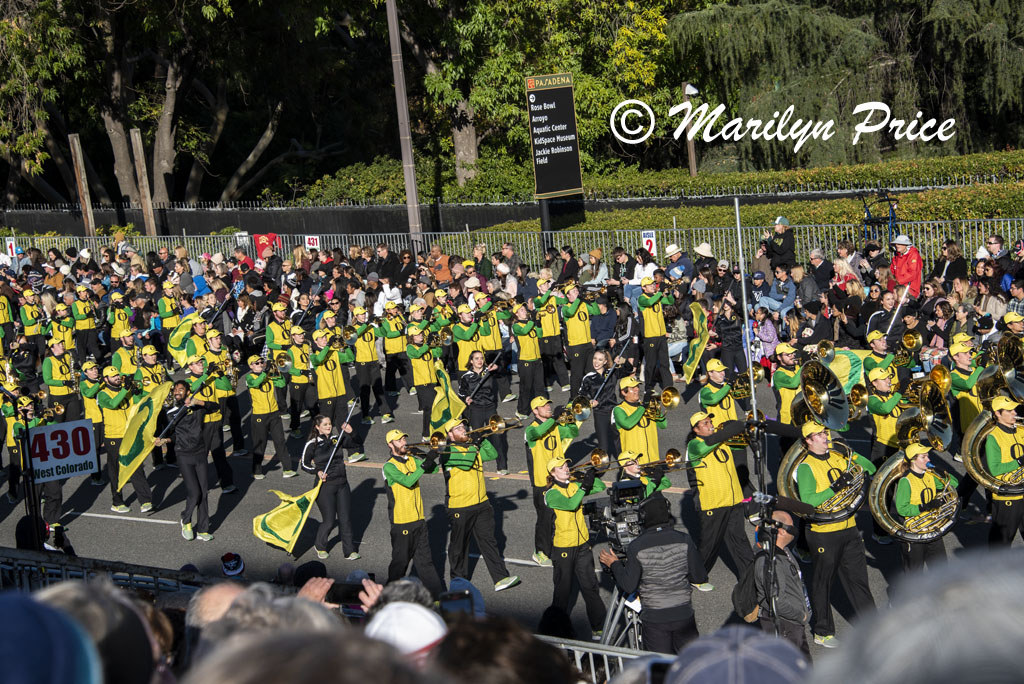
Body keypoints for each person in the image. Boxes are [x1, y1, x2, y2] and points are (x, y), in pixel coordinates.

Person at [795, 421, 876, 648]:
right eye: (819, 434)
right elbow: (808, 501)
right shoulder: (805, 467)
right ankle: (822, 631)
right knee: (823, 583)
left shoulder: (838, 458)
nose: (825, 435)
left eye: (825, 432)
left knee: (859, 581)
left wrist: (853, 455)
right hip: (823, 533)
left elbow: (870, 469)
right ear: (808, 441)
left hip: (848, 527)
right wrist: (836, 487)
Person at [431, 417, 520, 592]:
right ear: (450, 435)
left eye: (463, 426)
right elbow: (466, 464)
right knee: (459, 547)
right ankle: (458, 583)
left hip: (481, 503)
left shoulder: (472, 447)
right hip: (460, 505)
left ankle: (500, 578)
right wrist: (476, 444)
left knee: (489, 542)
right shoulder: (447, 451)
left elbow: (493, 454)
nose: (463, 429)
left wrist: (483, 438)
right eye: (458, 428)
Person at [686, 411, 754, 586]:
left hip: (733, 501)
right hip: (713, 504)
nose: (710, 425)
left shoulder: (722, 442)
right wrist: (730, 431)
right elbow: (705, 447)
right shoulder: (694, 445)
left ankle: (751, 577)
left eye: (710, 421)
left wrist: (749, 433)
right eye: (705, 423)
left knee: (740, 540)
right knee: (709, 545)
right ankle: (697, 577)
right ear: (696, 430)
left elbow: (741, 445)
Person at [544, 456, 607, 640]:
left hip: (582, 545)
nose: (566, 468)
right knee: (563, 591)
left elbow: (600, 487)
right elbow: (571, 505)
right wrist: (584, 486)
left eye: (566, 464)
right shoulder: (551, 493)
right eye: (561, 466)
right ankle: (554, 631)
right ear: (553, 473)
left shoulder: (573, 485)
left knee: (590, 587)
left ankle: (599, 627)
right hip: (563, 547)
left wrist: (590, 476)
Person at [382, 429, 445, 597]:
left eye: (404, 438)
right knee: (399, 565)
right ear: (390, 444)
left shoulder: (411, 460)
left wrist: (425, 456)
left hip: (419, 520)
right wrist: (426, 461)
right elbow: (408, 481)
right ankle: (385, 598)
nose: (403, 442)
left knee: (426, 563)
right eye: (399, 440)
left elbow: (432, 470)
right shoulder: (389, 466)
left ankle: (439, 598)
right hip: (402, 521)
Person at [524, 396, 579, 568]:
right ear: (535, 411)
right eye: (543, 406)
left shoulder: (555, 426)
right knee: (545, 519)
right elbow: (539, 432)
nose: (548, 407)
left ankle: (554, 547)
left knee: (558, 516)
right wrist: (555, 418)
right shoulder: (530, 430)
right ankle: (540, 551)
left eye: (549, 404)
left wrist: (569, 418)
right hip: (542, 482)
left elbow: (572, 433)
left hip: (558, 479)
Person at [157, 381, 214, 541]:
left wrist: (198, 402)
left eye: (180, 389)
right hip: (183, 455)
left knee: (203, 492)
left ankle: (203, 529)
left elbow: (215, 407)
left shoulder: (198, 407)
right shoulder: (172, 412)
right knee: (194, 492)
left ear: (188, 391)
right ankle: (186, 518)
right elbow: (177, 435)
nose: (177, 392)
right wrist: (166, 440)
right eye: (175, 390)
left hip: (200, 453)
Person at [300, 414, 360, 560]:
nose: (329, 426)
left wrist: (351, 432)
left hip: (342, 484)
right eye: (325, 424)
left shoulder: (336, 439)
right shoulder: (312, 443)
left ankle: (349, 551)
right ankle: (320, 546)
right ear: (317, 427)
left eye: (329, 424)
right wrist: (317, 471)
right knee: (329, 520)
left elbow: (356, 443)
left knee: (345, 519)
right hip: (325, 486)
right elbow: (304, 464)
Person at [97, 366, 152, 513]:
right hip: (113, 436)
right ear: (106, 379)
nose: (117, 378)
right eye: (113, 376)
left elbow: (138, 403)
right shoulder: (102, 394)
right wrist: (125, 390)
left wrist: (137, 392)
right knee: (116, 471)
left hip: (129, 434)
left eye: (117, 375)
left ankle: (145, 500)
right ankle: (117, 501)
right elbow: (113, 404)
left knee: (136, 466)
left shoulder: (126, 390)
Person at [894, 443, 957, 570]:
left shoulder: (930, 476)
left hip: (933, 529)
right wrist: (924, 507)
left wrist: (943, 474)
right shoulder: (905, 481)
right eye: (923, 457)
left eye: (927, 456)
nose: (928, 460)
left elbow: (953, 484)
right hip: (914, 534)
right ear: (913, 460)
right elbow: (902, 508)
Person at [458, 350, 508, 474]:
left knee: (497, 437)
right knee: (476, 438)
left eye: (481, 358)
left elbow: (503, 375)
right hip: (476, 410)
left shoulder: (489, 371)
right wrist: (466, 398)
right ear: (471, 361)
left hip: (490, 408)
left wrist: (498, 368)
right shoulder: (466, 376)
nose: (479, 361)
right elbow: (461, 392)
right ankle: (474, 463)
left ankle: (502, 466)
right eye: (476, 358)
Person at [984, 395, 1024, 546]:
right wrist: (1019, 461)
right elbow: (995, 469)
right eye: (1009, 411)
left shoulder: (1021, 431)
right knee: (1000, 545)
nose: (1014, 412)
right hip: (1008, 496)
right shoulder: (993, 437)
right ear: (998, 414)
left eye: (1014, 409)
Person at [244, 355, 291, 479]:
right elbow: (254, 383)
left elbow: (281, 384)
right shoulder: (249, 377)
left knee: (280, 441)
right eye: (257, 363)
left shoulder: (268, 375)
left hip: (274, 413)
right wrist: (266, 373)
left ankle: (287, 468)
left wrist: (277, 373)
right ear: (251, 366)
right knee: (260, 443)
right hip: (259, 414)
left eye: (261, 362)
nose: (260, 364)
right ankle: (257, 470)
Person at [578, 348, 622, 455]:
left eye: (600, 360)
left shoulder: (612, 373)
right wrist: (590, 401)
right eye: (595, 358)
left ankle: (626, 466)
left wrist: (622, 361)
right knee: (603, 446)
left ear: (605, 362)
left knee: (620, 441)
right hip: (600, 413)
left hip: (614, 412)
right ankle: (601, 469)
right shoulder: (588, 378)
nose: (596, 362)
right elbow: (581, 396)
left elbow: (629, 370)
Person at [614, 376, 664, 466]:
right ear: (623, 392)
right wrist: (643, 406)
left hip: (654, 460)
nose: (637, 389)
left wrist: (656, 408)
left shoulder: (647, 406)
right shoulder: (619, 409)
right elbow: (627, 424)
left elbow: (663, 425)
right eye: (633, 388)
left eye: (637, 386)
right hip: (634, 464)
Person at [637, 275, 674, 396]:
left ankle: (669, 388)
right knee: (651, 364)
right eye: (650, 285)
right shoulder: (641, 299)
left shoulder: (656, 297)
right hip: (650, 337)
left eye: (654, 284)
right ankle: (649, 388)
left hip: (661, 335)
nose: (653, 286)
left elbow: (670, 301)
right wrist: (660, 293)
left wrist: (667, 293)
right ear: (644, 288)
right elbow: (649, 302)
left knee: (665, 363)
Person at [561, 279, 598, 396]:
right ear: (568, 295)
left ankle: (592, 395)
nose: (577, 292)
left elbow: (596, 312)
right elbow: (571, 312)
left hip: (587, 343)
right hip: (575, 345)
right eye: (573, 291)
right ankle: (574, 398)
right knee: (577, 374)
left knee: (591, 372)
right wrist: (579, 299)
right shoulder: (565, 307)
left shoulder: (583, 304)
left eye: (577, 290)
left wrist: (593, 300)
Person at [533, 278, 569, 392]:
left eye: (547, 283)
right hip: (545, 334)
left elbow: (565, 301)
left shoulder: (553, 298)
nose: (546, 285)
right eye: (544, 284)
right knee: (547, 360)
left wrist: (563, 291)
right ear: (539, 287)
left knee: (559, 358)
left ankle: (565, 383)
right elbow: (542, 301)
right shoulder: (537, 300)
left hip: (555, 333)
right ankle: (547, 383)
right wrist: (550, 290)